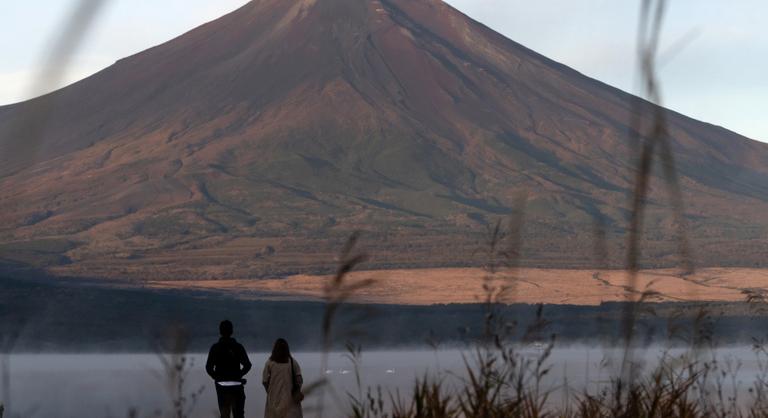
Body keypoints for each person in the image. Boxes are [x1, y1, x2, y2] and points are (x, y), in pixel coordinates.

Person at [205, 320, 252, 418]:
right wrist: (239, 374)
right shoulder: (238, 347)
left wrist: (217, 377)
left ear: (220, 331)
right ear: (232, 331)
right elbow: (248, 365)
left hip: (222, 386)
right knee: (239, 415)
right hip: (237, 385)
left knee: (225, 415)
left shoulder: (215, 348)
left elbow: (208, 368)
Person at [262, 338, 304, 418]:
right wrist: (296, 390)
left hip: (274, 400)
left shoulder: (269, 363)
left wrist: (270, 391)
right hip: (291, 401)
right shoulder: (292, 362)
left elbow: (264, 381)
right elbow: (299, 380)